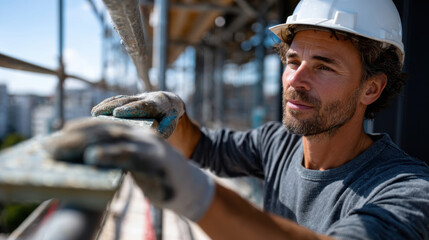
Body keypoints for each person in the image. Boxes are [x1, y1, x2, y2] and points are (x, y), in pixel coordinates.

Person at [48, 0, 429, 239]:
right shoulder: (278, 143)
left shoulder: (407, 189)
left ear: (371, 89)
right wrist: (170, 114)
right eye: (292, 61)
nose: (295, 79)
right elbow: (203, 147)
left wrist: (194, 193)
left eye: (324, 66)